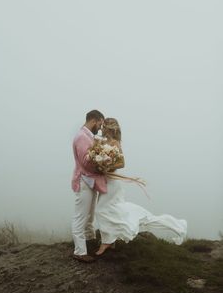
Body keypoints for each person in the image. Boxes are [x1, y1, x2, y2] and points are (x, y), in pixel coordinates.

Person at [95, 118, 187, 255]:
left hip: (113, 182)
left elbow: (121, 163)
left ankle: (107, 242)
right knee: (107, 210)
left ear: (109, 128)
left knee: (101, 210)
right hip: (105, 181)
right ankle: (109, 241)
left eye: (103, 126)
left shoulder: (114, 143)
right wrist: (99, 163)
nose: (101, 128)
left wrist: (106, 165)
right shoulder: (102, 142)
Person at [71, 109, 106, 263]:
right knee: (81, 217)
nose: (100, 127)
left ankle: (90, 240)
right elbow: (86, 161)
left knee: (90, 215)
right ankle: (79, 251)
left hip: (90, 181)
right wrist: (103, 164)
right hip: (84, 181)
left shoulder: (88, 136)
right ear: (93, 120)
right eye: (100, 123)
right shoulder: (81, 137)